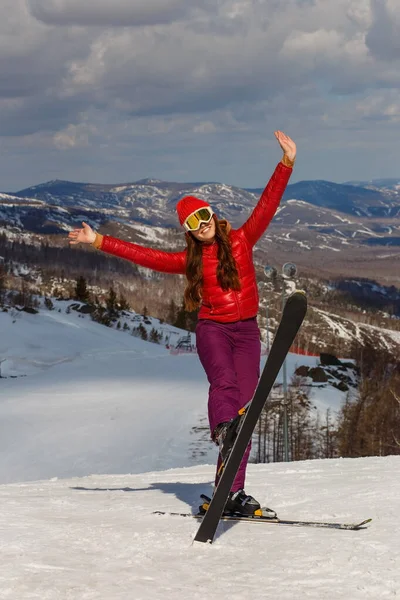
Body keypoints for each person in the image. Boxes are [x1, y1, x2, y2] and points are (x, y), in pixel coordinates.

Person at [68, 130, 296, 515]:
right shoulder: (189, 260)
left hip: (247, 331)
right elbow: (145, 256)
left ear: (212, 215)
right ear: (188, 230)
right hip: (214, 329)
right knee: (224, 388)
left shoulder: (241, 240)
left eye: (204, 214)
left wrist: (286, 162)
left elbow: (266, 205)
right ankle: (222, 427)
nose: (202, 222)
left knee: (247, 412)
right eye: (193, 221)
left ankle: (232, 492)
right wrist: (99, 242)